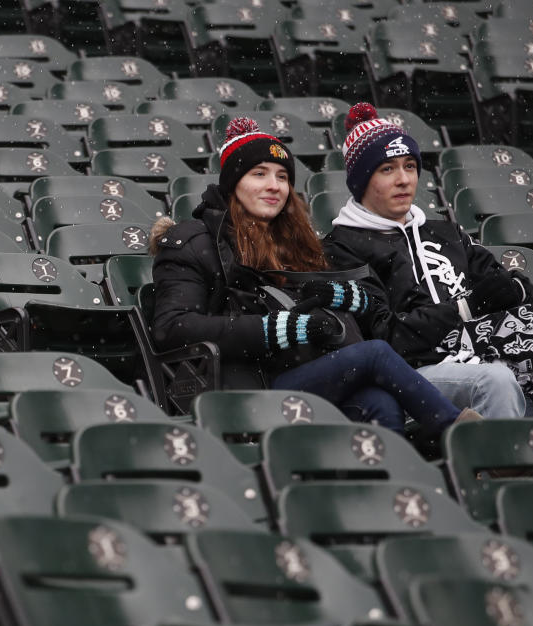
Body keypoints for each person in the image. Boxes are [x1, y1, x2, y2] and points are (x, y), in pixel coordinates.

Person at [322, 102, 533, 471]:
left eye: (410, 167)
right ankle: (512, 506)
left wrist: (509, 291)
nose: (404, 180)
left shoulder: (445, 232)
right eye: (387, 169)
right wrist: (466, 309)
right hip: (419, 375)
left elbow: (513, 290)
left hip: (499, 359)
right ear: (361, 179)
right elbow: (387, 337)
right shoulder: (341, 248)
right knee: (494, 381)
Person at [149, 115, 477, 436]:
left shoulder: (295, 242)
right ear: (234, 183)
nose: (273, 186)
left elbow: (355, 312)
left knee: (379, 403)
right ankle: (466, 436)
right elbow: (172, 327)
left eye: (282, 176)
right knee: (375, 354)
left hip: (300, 373)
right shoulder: (192, 241)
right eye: (259, 174)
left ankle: (382, 486)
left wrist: (342, 298)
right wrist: (275, 329)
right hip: (239, 387)